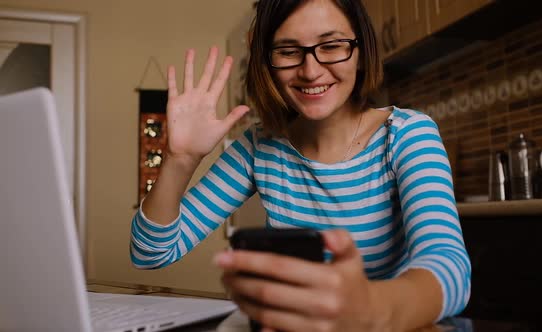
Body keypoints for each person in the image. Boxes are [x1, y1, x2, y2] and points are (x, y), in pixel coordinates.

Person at [130, 0, 471, 331]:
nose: (310, 71)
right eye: (289, 51)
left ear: (361, 50)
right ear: (268, 62)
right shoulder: (258, 147)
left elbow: (449, 268)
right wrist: (180, 160)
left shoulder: (407, 134)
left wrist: (371, 310)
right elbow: (150, 253)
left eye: (332, 45)